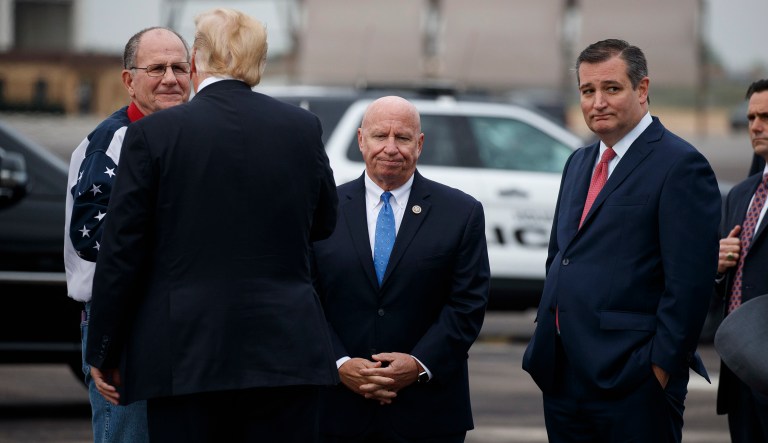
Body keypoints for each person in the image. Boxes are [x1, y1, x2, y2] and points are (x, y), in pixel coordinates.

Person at [83, 8, 339, 443]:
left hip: (185, 353)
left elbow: (121, 252)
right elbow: (325, 222)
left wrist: (104, 349)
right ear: (258, 61)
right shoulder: (302, 128)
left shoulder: (155, 134)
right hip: (285, 351)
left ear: (197, 60)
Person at [522, 38, 721, 442]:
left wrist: (659, 368)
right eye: (587, 91)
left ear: (642, 89)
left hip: (632, 382)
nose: (598, 102)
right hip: (563, 376)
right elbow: (562, 256)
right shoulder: (579, 161)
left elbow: (689, 286)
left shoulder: (680, 166)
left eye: (611, 88)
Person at [311, 95, 490, 443]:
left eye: (403, 137)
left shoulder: (461, 212)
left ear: (419, 144)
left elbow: (467, 304)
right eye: (380, 136)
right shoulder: (321, 209)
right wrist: (340, 363)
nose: (390, 148)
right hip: (337, 410)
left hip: (428, 411)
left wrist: (419, 364)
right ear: (361, 139)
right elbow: (307, 297)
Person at [63, 26, 191, 443]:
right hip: (121, 321)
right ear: (128, 80)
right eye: (156, 68)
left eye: (179, 67)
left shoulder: (187, 135)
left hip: (179, 322)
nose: (171, 78)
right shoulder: (113, 141)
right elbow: (93, 237)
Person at [715, 78, 768, 443]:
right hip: (738, 371)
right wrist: (717, 267)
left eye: (766, 116)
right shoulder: (740, 194)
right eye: (750, 117)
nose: (755, 126)